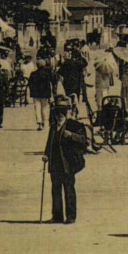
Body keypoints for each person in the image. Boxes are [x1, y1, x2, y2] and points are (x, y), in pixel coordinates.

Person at [42, 96, 91, 224]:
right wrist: (46, 154)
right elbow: (50, 142)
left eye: (62, 113)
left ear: (66, 113)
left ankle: (71, 217)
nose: (59, 116)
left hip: (68, 163)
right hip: (55, 164)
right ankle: (57, 216)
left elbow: (84, 140)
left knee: (69, 190)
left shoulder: (74, 125)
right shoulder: (53, 127)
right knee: (55, 190)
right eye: (57, 113)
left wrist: (71, 136)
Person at [29, 59, 55, 131]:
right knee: (44, 108)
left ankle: (39, 122)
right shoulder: (47, 74)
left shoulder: (33, 74)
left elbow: (30, 84)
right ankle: (44, 122)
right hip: (45, 93)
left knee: (37, 108)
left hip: (36, 93)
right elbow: (50, 84)